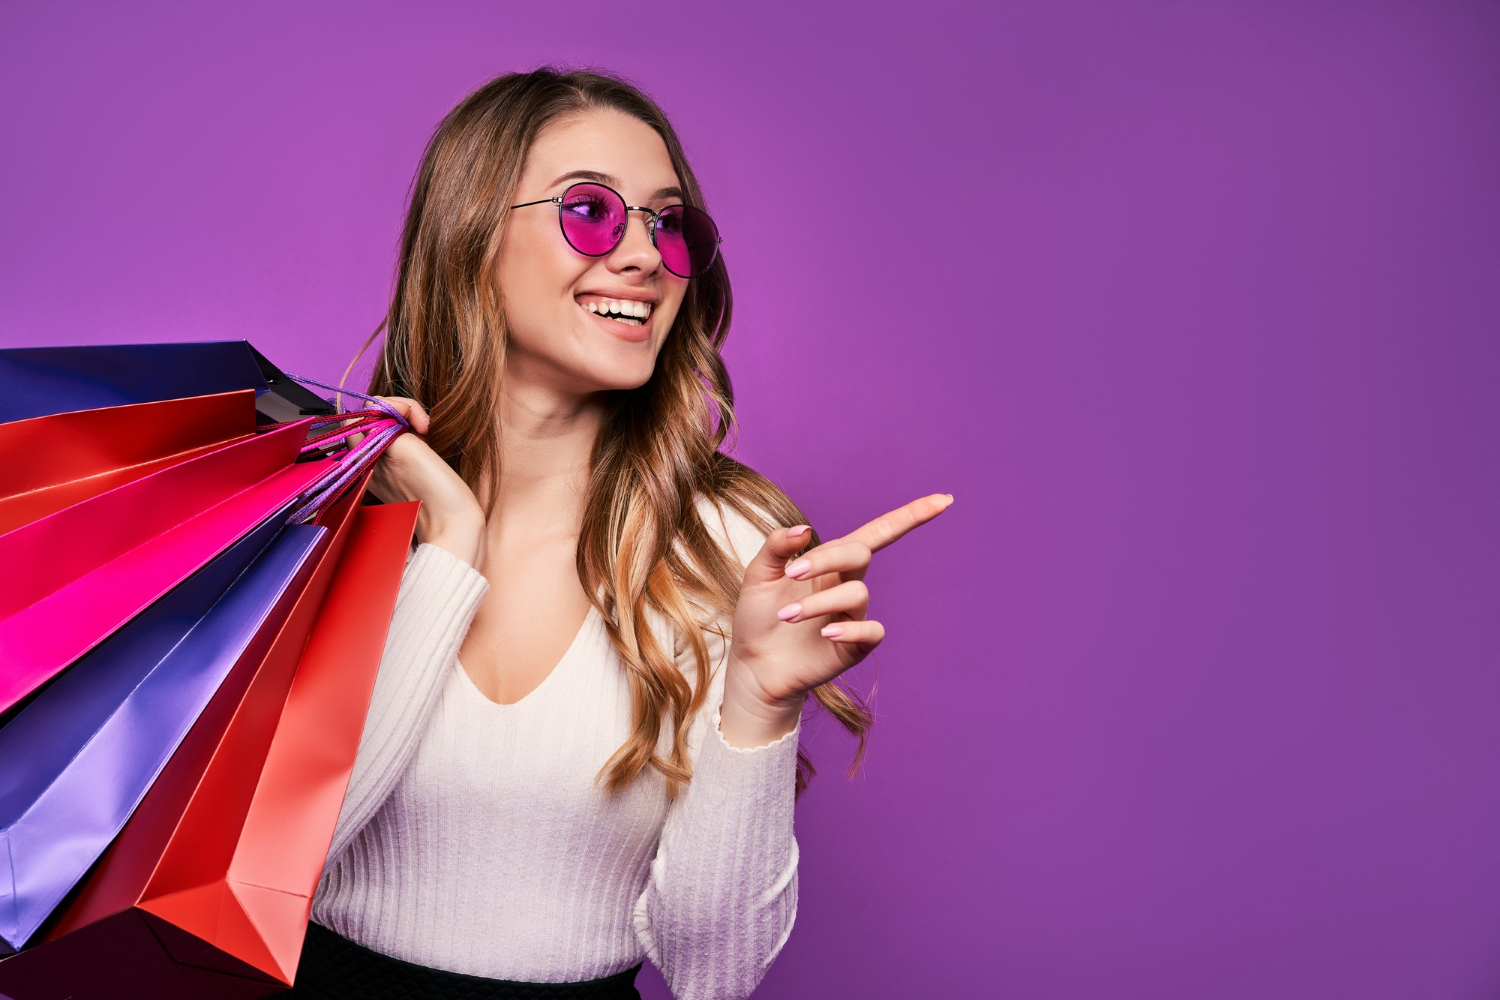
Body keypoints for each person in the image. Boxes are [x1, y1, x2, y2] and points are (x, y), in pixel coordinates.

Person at [287, 67, 951, 1000]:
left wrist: (759, 704)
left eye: (668, 223)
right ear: (472, 234)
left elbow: (711, 972)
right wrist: (449, 545)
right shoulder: (329, 509)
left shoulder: (730, 544)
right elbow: (278, 865)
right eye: (591, 211)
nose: (644, 256)